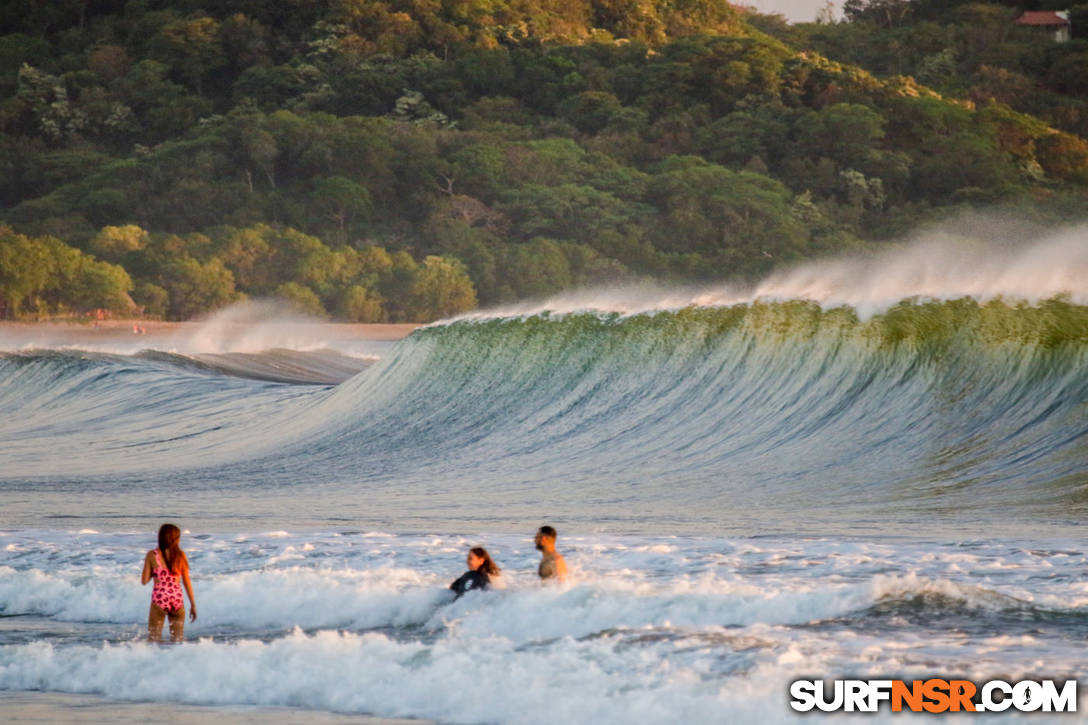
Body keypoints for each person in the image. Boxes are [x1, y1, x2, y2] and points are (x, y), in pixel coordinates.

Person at [141, 523, 197, 642]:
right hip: (177, 599)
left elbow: (144, 581)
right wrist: (193, 605)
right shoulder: (181, 556)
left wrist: (155, 572)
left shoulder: (152, 555)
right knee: (177, 641)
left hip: (160, 599)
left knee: (153, 640)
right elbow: (187, 582)